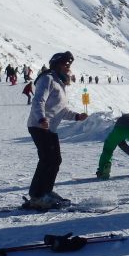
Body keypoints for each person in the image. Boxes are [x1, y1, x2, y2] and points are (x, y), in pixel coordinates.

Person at [25, 51, 87, 209]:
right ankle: (38, 196)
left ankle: (45, 191)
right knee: (48, 160)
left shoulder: (59, 83)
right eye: (65, 64)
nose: (68, 68)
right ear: (56, 65)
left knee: (54, 160)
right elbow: (38, 100)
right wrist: (41, 118)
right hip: (39, 125)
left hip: (49, 127)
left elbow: (62, 110)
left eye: (69, 65)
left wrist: (76, 116)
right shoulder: (47, 79)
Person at [96, 113, 129, 180]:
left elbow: (120, 142)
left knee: (108, 149)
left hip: (119, 127)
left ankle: (104, 171)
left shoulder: (123, 118)